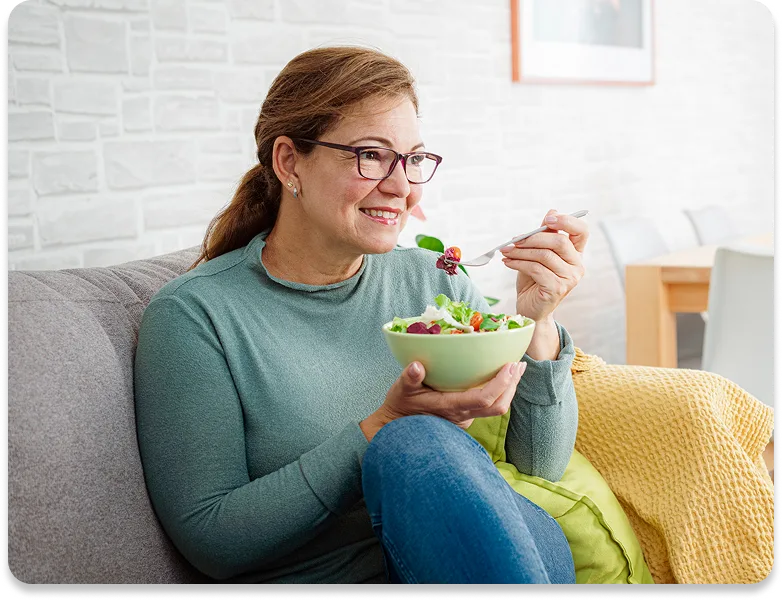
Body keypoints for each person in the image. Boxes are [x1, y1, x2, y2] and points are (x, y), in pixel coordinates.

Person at [133, 46, 589, 585]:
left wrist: (536, 323)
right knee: (412, 441)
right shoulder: (196, 318)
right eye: (370, 155)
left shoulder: (433, 280)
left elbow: (539, 464)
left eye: (414, 158)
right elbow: (214, 541)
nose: (403, 186)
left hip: (497, 554)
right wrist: (382, 428)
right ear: (288, 162)